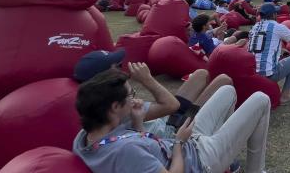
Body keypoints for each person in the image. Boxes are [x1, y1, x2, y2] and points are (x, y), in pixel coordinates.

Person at [73, 67, 270, 173]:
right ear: (114, 107)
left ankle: (226, 160)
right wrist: (178, 142)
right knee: (261, 99)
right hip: (199, 161)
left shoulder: (86, 136)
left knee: (227, 90)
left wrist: (138, 122)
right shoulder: (124, 152)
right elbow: (132, 153)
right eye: (130, 94)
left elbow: (140, 146)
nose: (133, 98)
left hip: (188, 143)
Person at [73, 53, 234, 136]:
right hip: (175, 132)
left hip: (166, 120)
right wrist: (147, 79)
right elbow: (172, 105)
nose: (122, 69)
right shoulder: (115, 109)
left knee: (200, 74)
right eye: (117, 67)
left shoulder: (100, 102)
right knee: (224, 81)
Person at [248, 3, 290, 103]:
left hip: (252, 74)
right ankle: (285, 96)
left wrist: (280, 50)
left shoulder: (254, 27)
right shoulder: (277, 27)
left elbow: (260, 45)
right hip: (267, 75)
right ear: (274, 15)